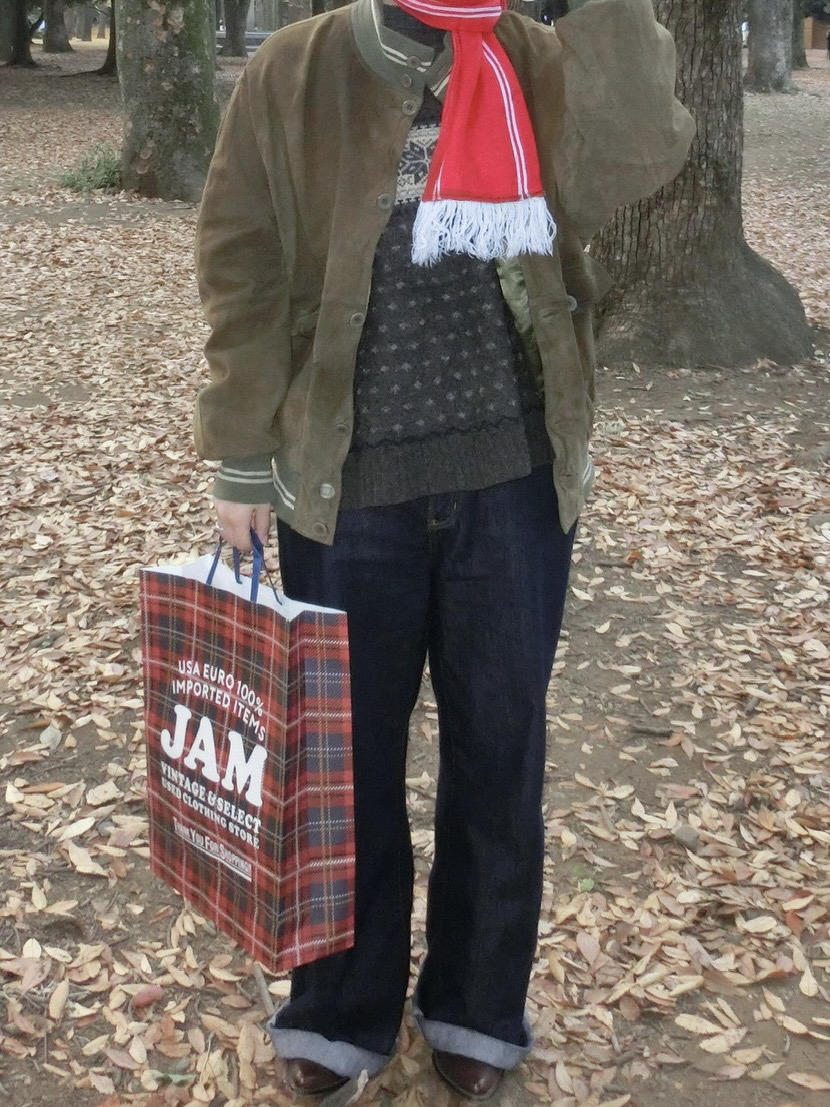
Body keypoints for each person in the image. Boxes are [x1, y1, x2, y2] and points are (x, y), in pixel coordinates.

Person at [194, 0, 694, 1099]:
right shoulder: (296, 71)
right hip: (347, 488)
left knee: (498, 756)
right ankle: (339, 1008)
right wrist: (240, 454)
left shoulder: (532, 57)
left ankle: (475, 1000)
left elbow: (639, 152)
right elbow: (241, 259)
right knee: (345, 768)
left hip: (510, 481)